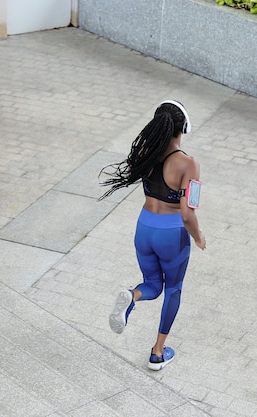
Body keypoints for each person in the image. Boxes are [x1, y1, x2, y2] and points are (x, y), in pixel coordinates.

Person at [99, 100, 206, 371]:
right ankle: (158, 353)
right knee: (172, 289)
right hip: (171, 234)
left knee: (152, 285)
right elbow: (187, 213)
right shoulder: (187, 164)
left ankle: (131, 296)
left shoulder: (145, 153)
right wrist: (197, 236)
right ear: (182, 129)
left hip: (144, 227)